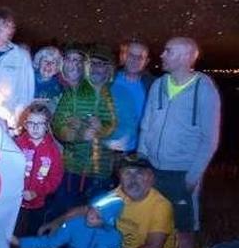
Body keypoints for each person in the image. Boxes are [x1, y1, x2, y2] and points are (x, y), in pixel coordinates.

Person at [43, 158, 177, 248]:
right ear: (120, 176)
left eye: (139, 173)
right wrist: (57, 222)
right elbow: (87, 210)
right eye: (127, 173)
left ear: (150, 177)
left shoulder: (160, 205)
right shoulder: (118, 194)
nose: (133, 179)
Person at [138, 37, 221, 248]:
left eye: (168, 51)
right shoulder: (159, 85)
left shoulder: (204, 89)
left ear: (185, 56)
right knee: (153, 227)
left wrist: (193, 176)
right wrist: (142, 159)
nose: (162, 55)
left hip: (182, 173)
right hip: (153, 169)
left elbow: (209, 138)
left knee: (184, 232)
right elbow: (146, 124)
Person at [51, 45, 117, 214]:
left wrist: (100, 129)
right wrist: (80, 133)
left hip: (99, 168)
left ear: (109, 68)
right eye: (92, 63)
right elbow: (58, 124)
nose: (96, 68)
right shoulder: (73, 92)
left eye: (101, 64)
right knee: (65, 212)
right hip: (72, 166)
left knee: (93, 215)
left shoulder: (110, 93)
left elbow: (112, 124)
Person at [12, 102, 64, 248]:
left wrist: (38, 192)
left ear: (47, 125)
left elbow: (55, 177)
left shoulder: (53, 150)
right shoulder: (17, 144)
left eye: (39, 123)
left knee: (28, 242)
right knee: (11, 238)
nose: (34, 128)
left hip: (36, 206)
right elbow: (8, 169)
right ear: (25, 124)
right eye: (31, 123)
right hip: (14, 206)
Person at [106, 40, 153, 154]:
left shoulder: (152, 87)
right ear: (123, 56)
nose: (135, 60)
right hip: (103, 150)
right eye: (131, 55)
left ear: (146, 61)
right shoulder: (107, 80)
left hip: (134, 153)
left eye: (140, 57)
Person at [33, 46, 64, 113]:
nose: (48, 64)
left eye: (53, 62)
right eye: (45, 61)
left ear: (57, 67)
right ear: (38, 63)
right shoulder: (27, 80)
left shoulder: (59, 88)